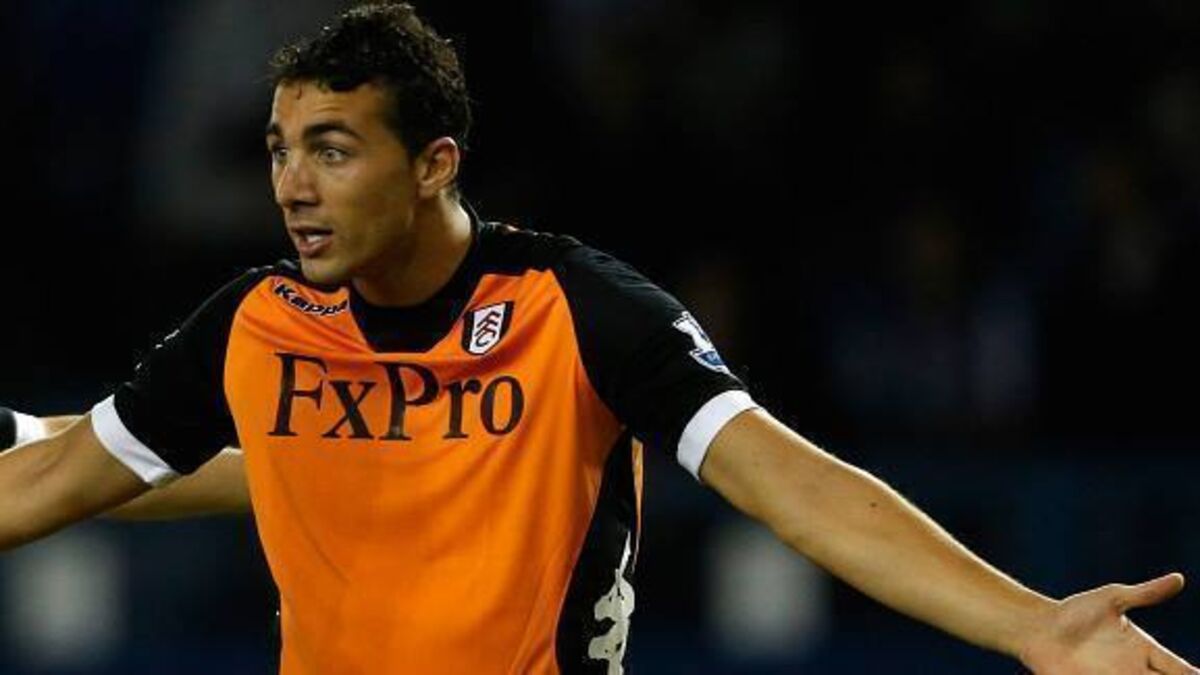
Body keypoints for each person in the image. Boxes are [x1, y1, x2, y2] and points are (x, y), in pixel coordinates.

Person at [1, 3, 1195, 674]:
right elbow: (65, 474)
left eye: (332, 150)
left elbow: (792, 483)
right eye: (279, 150)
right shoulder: (260, 326)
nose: (293, 186)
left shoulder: (575, 310)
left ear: (434, 165)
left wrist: (1032, 623)